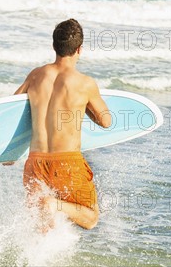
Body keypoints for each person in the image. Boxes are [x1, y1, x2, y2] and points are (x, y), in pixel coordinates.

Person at [10, 19, 111, 230]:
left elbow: (11, 111)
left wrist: (10, 154)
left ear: (53, 45)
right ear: (79, 49)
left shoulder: (35, 75)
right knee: (91, 218)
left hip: (35, 163)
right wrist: (84, 105)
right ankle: (55, 204)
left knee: (43, 228)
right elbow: (106, 121)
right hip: (67, 163)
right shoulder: (85, 83)